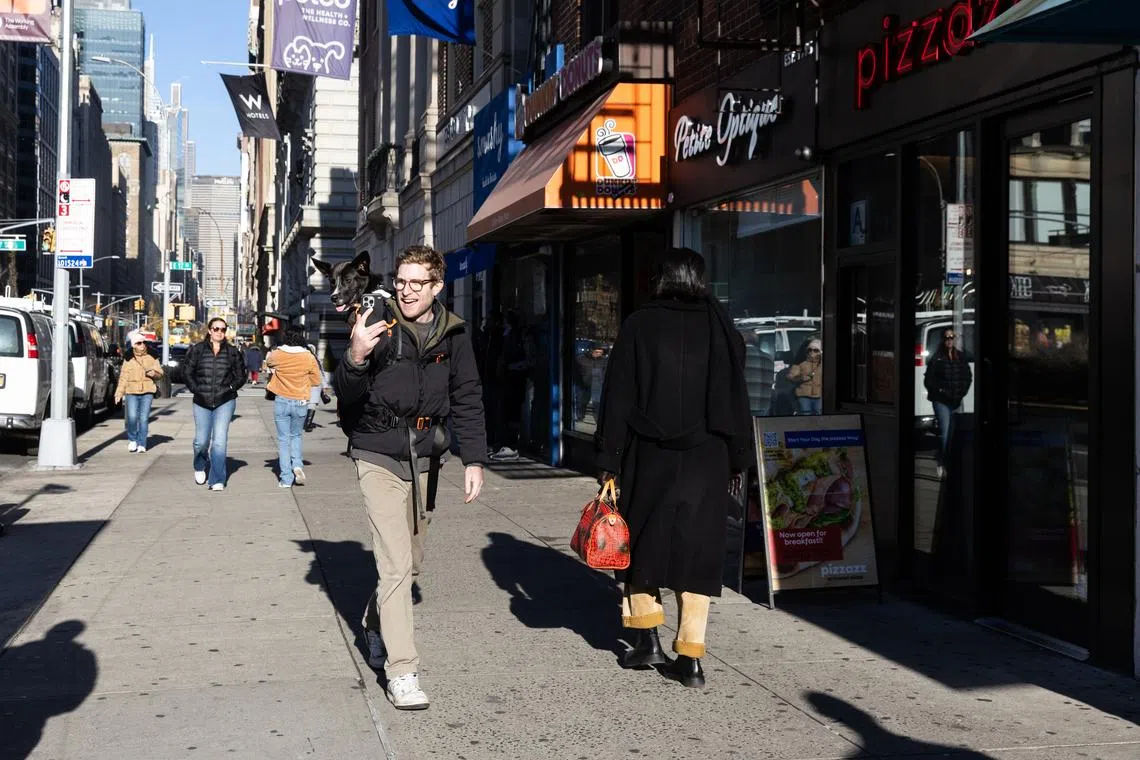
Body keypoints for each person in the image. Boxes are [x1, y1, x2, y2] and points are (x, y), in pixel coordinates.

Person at [334, 244, 487, 710]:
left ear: (437, 286)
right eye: (401, 281)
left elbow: (467, 394)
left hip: (425, 457)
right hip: (377, 451)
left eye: (417, 283)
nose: (406, 291)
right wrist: (355, 356)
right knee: (396, 566)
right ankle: (402, 672)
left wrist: (474, 459)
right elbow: (346, 395)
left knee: (411, 564)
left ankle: (374, 623)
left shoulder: (453, 332)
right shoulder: (377, 320)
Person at [595, 247, 752, 689]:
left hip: (649, 452)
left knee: (642, 540)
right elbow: (737, 398)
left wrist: (609, 459)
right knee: (699, 552)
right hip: (709, 455)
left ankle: (647, 639)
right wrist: (737, 457)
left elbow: (618, 397)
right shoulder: (721, 328)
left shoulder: (639, 325)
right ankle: (691, 657)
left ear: (661, 278)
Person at [185, 316, 246, 490]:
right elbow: (187, 372)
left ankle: (217, 479)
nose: (220, 332)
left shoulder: (232, 352)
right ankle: (199, 465)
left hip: (225, 400)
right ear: (210, 331)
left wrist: (231, 388)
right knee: (201, 441)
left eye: (223, 329)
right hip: (201, 400)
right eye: (216, 329)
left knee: (219, 441)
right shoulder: (197, 350)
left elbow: (241, 375)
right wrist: (196, 389)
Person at [266, 328, 323, 488]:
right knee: (296, 436)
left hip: (282, 400)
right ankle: (297, 465)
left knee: (284, 440)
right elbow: (316, 380)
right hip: (300, 401)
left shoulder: (278, 354)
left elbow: (269, 362)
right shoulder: (308, 356)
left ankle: (286, 479)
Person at [924, 328, 973, 469]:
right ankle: (944, 463)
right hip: (941, 401)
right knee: (946, 432)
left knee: (953, 434)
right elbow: (928, 380)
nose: (949, 340)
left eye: (952, 337)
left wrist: (961, 393)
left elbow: (967, 377)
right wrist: (940, 391)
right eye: (947, 337)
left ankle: (945, 457)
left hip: (956, 400)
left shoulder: (961, 356)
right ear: (943, 340)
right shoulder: (937, 357)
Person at [114, 330, 164, 453]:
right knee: (131, 417)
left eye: (143, 342)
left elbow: (160, 373)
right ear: (133, 345)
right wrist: (119, 393)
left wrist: (153, 373)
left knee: (143, 418)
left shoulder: (152, 355)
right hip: (131, 392)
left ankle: (142, 443)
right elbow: (123, 377)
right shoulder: (128, 358)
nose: (142, 345)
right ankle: (132, 439)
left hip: (147, 391)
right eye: (139, 343)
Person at [787, 338, 823, 415]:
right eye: (810, 350)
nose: (812, 352)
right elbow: (791, 377)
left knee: (818, 414)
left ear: (820, 352)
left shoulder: (823, 365)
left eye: (815, 350)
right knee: (805, 414)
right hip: (804, 396)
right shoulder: (801, 364)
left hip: (819, 396)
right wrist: (801, 378)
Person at [304, 343, 331, 432]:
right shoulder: (313, 359)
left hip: (312, 385)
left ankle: (307, 423)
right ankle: (307, 423)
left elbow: (320, 373)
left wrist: (324, 385)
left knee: (310, 404)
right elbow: (320, 374)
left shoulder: (312, 359)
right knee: (310, 404)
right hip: (311, 385)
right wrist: (324, 385)